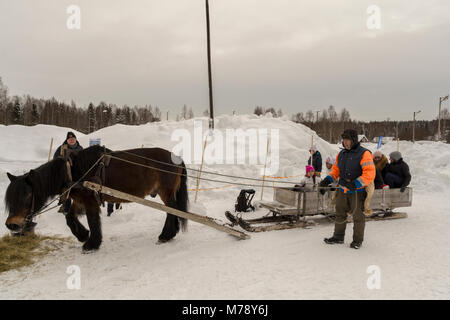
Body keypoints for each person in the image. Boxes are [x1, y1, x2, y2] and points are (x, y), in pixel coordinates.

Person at [318, 129, 375, 249]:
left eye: (348, 140)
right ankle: (338, 237)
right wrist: (326, 181)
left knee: (358, 217)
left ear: (354, 140)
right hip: (343, 189)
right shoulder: (342, 154)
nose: (346, 142)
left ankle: (357, 240)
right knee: (339, 213)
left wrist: (355, 184)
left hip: (357, 191)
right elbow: (335, 171)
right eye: (344, 140)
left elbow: (369, 174)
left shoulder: (364, 153)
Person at [53, 131, 83, 213]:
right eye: (70, 139)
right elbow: (55, 160)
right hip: (66, 172)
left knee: (78, 189)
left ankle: (77, 207)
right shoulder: (62, 148)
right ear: (67, 140)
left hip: (77, 172)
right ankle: (66, 208)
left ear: (76, 139)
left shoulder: (80, 148)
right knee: (67, 190)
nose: (72, 140)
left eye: (73, 138)